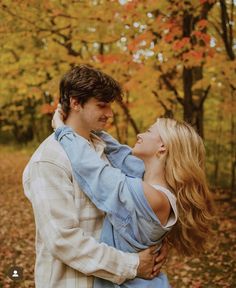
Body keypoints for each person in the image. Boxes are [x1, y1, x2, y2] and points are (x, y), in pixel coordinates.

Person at [22, 65, 167, 288]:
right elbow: (63, 240)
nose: (109, 113)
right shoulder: (50, 160)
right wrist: (133, 264)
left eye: (110, 105)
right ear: (75, 103)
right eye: (101, 105)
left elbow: (131, 208)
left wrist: (154, 241)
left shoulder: (103, 151)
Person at [52, 111, 214, 287]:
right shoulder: (145, 178)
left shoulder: (153, 197)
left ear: (162, 147)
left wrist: (63, 130)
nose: (140, 134)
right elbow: (118, 153)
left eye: (149, 131)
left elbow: (96, 174)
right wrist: (85, 122)